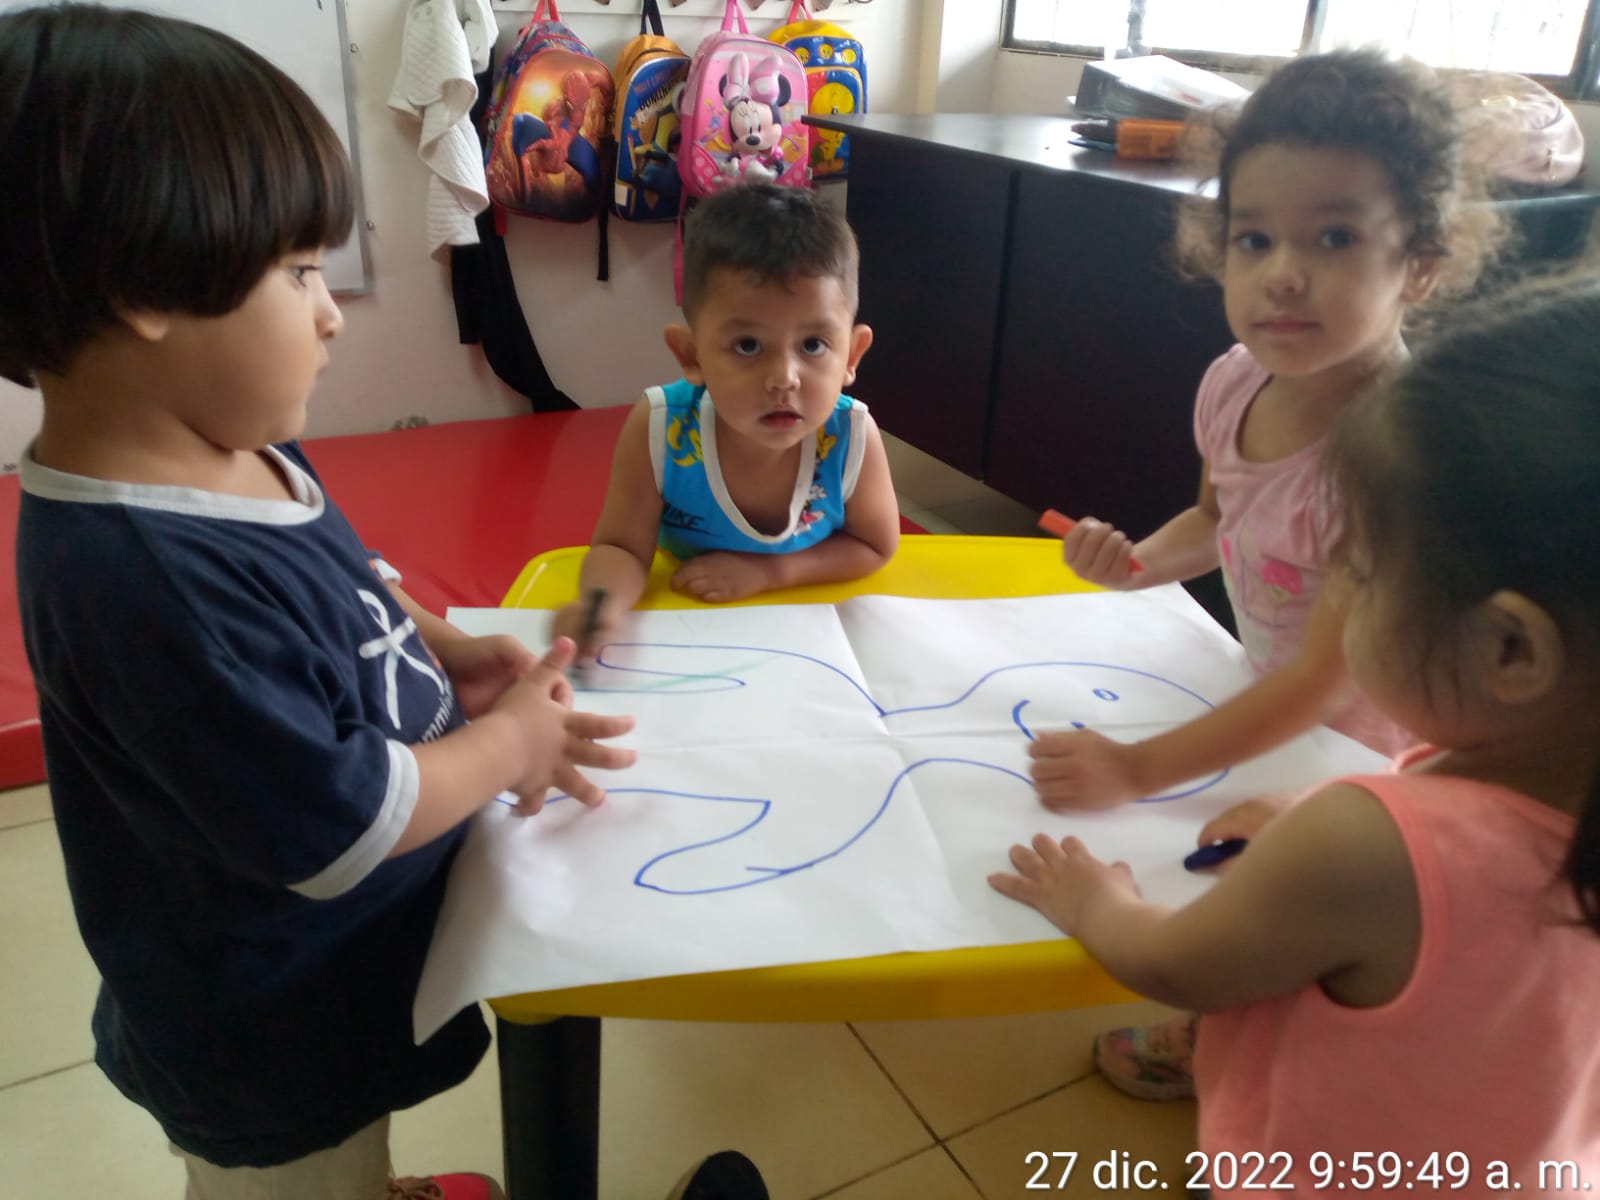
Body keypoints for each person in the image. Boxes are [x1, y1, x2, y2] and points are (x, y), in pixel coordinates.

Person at [0, 7, 763, 1200]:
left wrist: (441, 643)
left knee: (359, 1155)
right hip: (267, 1033)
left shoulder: (228, 446)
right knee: (310, 1178)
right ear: (137, 285)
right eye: (299, 271)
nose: (328, 310)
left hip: (334, 979)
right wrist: (507, 745)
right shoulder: (143, 577)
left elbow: (344, 576)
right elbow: (338, 821)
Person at [993, 275, 1600, 1192]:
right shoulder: (1530, 777)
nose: (1336, 592)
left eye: (1362, 570)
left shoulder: (1358, 844)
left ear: (1511, 650)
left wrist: (1092, 901)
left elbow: (1179, 963)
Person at [1030, 49, 1504, 1100]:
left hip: (1379, 742)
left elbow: (1324, 686)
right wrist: (1137, 564)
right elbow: (1216, 520)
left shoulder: (1394, 457)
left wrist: (1135, 771)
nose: (1282, 273)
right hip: (1280, 697)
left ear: (1420, 267)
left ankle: (1264, 1065)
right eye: (1255, 238)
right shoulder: (1235, 381)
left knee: (1293, 907)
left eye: (1333, 238)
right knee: (1247, 873)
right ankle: (1242, 1034)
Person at [551, 184, 899, 656]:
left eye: (813, 345)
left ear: (852, 355)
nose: (784, 378)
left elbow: (876, 546)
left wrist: (767, 574)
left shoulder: (852, 435)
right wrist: (601, 607)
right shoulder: (661, 428)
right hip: (693, 631)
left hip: (811, 633)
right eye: (748, 346)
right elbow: (621, 548)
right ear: (691, 355)